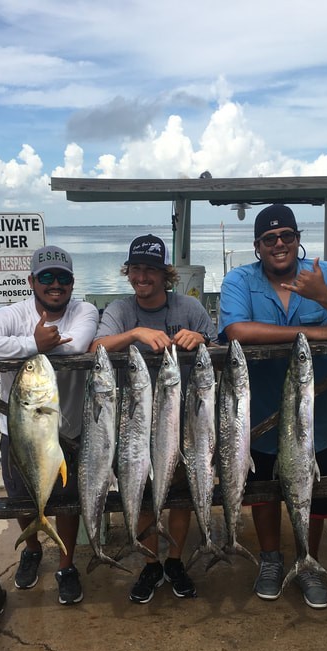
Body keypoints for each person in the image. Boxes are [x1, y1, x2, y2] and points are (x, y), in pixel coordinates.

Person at [218, 204, 327, 610]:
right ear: (257, 246)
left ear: (297, 238)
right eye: (269, 239)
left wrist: (324, 295)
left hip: (321, 418)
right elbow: (237, 329)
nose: (279, 244)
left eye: (287, 236)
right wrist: (310, 330)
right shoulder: (239, 279)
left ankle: (307, 563)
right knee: (263, 494)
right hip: (257, 418)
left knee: (314, 490)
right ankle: (272, 560)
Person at [0, 245, 99, 605]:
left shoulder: (84, 309)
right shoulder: (11, 315)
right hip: (17, 429)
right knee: (21, 499)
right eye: (47, 277)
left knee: (69, 501)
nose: (56, 285)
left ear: (72, 282)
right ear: (32, 281)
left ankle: (67, 564)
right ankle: (32, 548)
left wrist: (28, 349)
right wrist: (29, 344)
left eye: (63, 277)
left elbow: (78, 345)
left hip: (68, 430)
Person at [90, 233, 218, 604]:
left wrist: (202, 340)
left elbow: (216, 342)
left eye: (150, 270)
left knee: (177, 493)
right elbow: (94, 347)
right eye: (136, 269)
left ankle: (175, 560)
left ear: (166, 275)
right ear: (128, 272)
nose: (142, 277)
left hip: (184, 421)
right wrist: (134, 334)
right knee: (142, 492)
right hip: (133, 423)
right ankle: (149, 561)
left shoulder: (190, 309)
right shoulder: (120, 310)